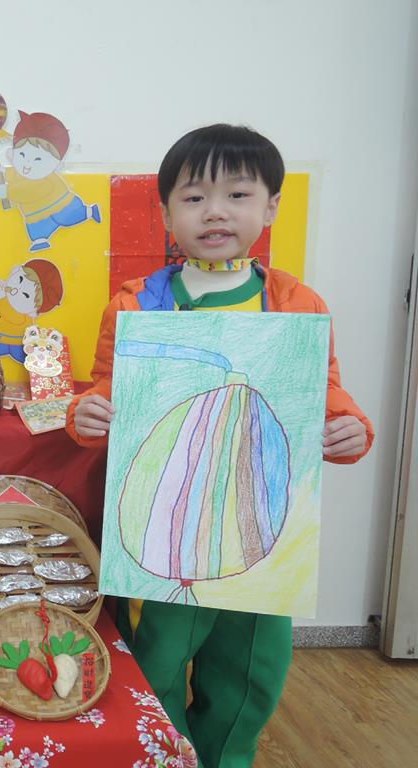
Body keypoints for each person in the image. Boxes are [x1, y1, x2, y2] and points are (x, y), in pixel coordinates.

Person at [67, 124, 373, 767]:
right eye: (193, 197)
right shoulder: (138, 304)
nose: (215, 212)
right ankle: (162, 757)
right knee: (154, 660)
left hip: (260, 530)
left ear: (271, 207)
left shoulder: (294, 303)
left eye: (237, 194)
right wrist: (85, 413)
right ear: (165, 214)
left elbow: (325, 395)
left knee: (250, 669)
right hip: (166, 533)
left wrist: (350, 429)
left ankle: (225, 758)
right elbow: (106, 389)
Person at [0, 110, 101, 252]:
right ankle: (40, 241)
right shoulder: (20, 172)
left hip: (61, 206)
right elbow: (15, 175)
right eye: (22, 154)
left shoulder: (44, 180)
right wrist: (3, 173)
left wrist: (5, 191)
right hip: (36, 214)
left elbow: (25, 191)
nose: (28, 163)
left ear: (57, 165)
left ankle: (90, 211)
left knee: (70, 218)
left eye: (38, 159)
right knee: (37, 229)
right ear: (12, 153)